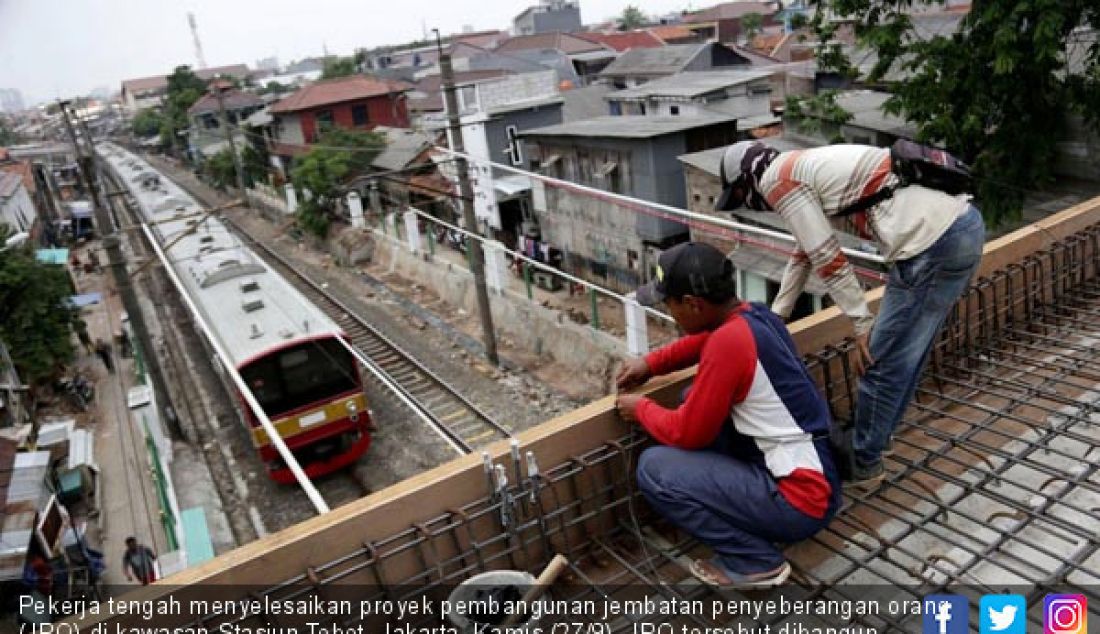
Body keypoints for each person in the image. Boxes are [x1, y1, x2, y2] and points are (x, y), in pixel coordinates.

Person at [715, 141, 985, 486]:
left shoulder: (774, 180)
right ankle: (877, 440)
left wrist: (861, 324)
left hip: (931, 245)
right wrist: (778, 314)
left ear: (746, 181)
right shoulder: (798, 165)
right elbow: (805, 251)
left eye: (740, 195)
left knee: (875, 361)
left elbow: (827, 258)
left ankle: (863, 461)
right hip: (960, 229)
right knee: (904, 358)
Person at [615, 242, 841, 588]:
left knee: (654, 469)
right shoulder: (755, 315)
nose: (669, 311)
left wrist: (642, 408)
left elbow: (688, 433)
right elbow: (702, 341)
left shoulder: (729, 343)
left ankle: (755, 560)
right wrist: (651, 364)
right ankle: (746, 510)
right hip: (817, 475)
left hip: (800, 499)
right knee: (693, 396)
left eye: (670, 303)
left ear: (693, 303)